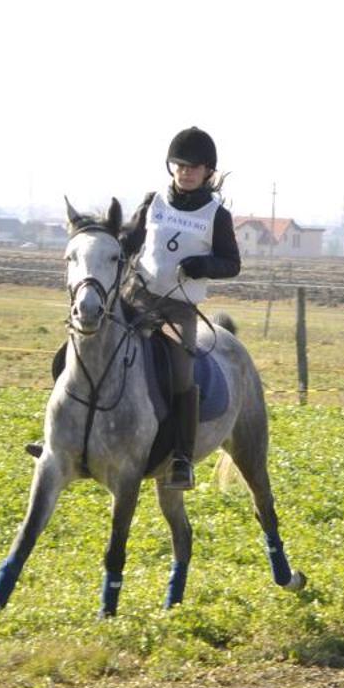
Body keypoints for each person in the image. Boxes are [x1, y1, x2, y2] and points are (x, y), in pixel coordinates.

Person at [119, 127, 241, 488]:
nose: (185, 172)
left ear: (208, 172)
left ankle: (182, 460)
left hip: (178, 309)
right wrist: (118, 242)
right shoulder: (153, 201)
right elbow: (132, 240)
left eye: (194, 167)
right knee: (87, 345)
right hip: (136, 298)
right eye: (179, 165)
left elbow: (231, 263)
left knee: (181, 376)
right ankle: (61, 437)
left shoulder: (216, 214)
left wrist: (204, 265)